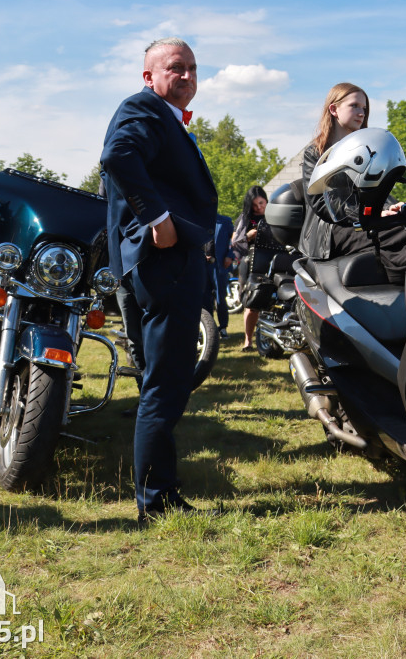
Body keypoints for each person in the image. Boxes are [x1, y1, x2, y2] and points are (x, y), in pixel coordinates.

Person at [101, 37, 218, 523]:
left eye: (192, 68)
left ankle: (159, 492)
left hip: (164, 262)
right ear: (149, 76)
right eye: (176, 68)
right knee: (166, 384)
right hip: (165, 262)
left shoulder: (163, 117)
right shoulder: (143, 109)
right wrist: (158, 217)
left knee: (162, 381)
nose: (187, 75)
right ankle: (156, 500)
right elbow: (118, 156)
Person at [299, 83, 406, 283]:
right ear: (333, 109)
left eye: (364, 108)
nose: (361, 113)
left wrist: (389, 208)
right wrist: (370, 214)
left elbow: (377, 189)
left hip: (364, 221)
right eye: (354, 106)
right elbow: (321, 203)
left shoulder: (368, 150)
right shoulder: (316, 153)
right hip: (330, 231)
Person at [231, 185, 271, 351]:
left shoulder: (275, 215)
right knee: (251, 303)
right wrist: (249, 235)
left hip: (272, 262)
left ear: (266, 200)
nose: (259, 208)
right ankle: (248, 341)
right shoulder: (245, 219)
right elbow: (235, 241)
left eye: (261, 203)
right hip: (251, 264)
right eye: (255, 205)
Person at [210, 213, 234, 338]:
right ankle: (208, 329)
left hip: (219, 266)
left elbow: (235, 241)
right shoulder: (197, 219)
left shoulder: (225, 221)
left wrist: (230, 256)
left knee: (220, 298)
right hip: (202, 266)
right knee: (204, 300)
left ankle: (223, 327)